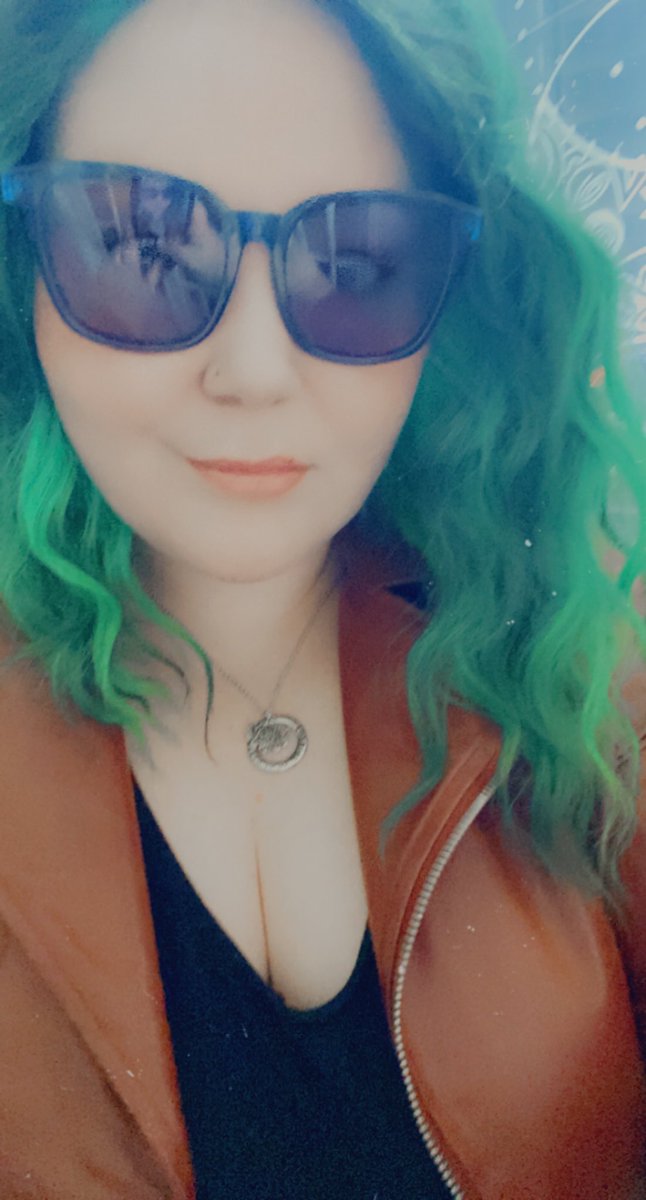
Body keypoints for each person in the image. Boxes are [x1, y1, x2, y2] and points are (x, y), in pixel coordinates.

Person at [0, 0, 644, 1197]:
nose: (252, 372)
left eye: (354, 264)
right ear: (23, 264)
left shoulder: (584, 681)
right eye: (142, 245)